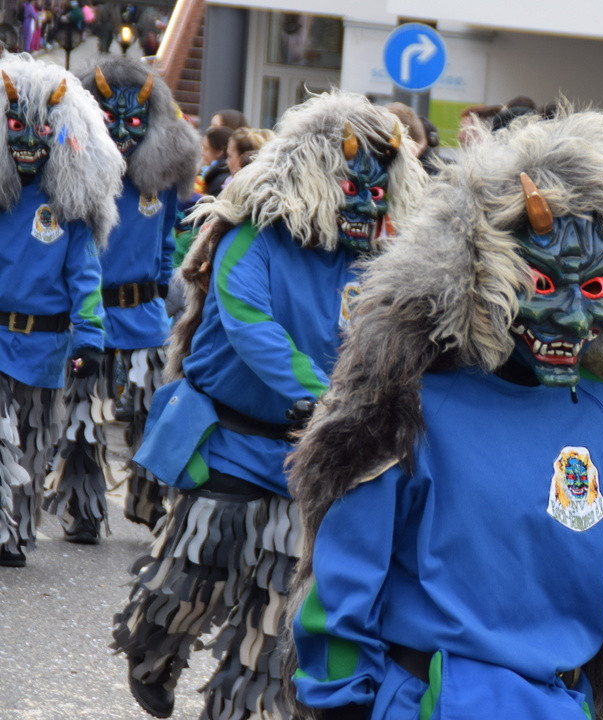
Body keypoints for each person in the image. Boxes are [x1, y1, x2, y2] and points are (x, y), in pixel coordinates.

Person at [285, 108, 603, 719]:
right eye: (542, 286)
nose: (571, 317)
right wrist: (340, 704)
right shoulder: (411, 406)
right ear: (474, 276)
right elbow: (343, 583)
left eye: (594, 290)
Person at [112, 90, 427, 720]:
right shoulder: (249, 235)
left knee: (278, 604)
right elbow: (252, 325)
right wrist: (328, 398)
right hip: (229, 438)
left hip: (307, 454)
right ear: (313, 175)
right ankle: (154, 644)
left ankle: (238, 708)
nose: (366, 201)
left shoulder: (375, 261)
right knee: (193, 572)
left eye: (377, 188)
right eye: (352, 185)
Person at [41, 57, 201, 544]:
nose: (124, 130)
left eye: (136, 120)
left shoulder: (162, 175)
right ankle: (84, 509)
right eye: (112, 118)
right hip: (86, 316)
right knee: (81, 421)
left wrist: (169, 288)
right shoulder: (74, 172)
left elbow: (168, 239)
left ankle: (148, 500)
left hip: (144, 315)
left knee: (156, 414)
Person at [0, 52, 124, 567]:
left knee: (31, 445)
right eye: (16, 128)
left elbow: (84, 275)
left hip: (46, 346)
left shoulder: (70, 208)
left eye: (40, 130)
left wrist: (91, 338)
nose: (28, 142)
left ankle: (15, 534)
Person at [194, 125, 231, 197]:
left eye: (206, 148)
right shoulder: (212, 173)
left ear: (219, 152)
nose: (202, 153)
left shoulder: (220, 181)